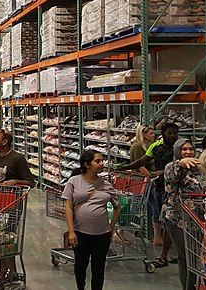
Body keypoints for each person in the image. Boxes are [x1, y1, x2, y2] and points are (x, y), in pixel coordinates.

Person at [119, 122, 180, 268]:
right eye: (169, 133)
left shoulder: (179, 149)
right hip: (159, 187)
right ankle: (168, 251)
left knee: (169, 220)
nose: (172, 136)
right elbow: (141, 161)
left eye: (175, 133)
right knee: (162, 217)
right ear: (163, 133)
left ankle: (167, 254)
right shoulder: (155, 147)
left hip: (174, 190)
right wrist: (125, 167)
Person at [0, 130, 35, 289]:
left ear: (5, 141)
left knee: (7, 239)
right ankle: (9, 272)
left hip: (11, 206)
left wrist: (15, 181)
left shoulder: (17, 159)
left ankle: (4, 274)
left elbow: (31, 182)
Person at [162, 139, 206, 290]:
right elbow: (172, 176)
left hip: (196, 219)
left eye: (190, 149)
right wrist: (180, 163)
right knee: (185, 257)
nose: (188, 152)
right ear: (177, 151)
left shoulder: (197, 170)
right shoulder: (171, 167)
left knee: (193, 257)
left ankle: (194, 285)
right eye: (183, 149)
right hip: (177, 218)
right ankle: (188, 287)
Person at [62, 150, 120, 290]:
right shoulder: (74, 181)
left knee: (98, 267)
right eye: (98, 161)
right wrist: (71, 232)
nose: (102, 164)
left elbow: (117, 207)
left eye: (102, 161)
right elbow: (68, 207)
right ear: (87, 164)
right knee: (80, 265)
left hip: (102, 234)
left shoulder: (106, 184)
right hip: (80, 232)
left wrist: (111, 228)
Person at [129, 124, 162, 244]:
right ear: (143, 134)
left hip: (149, 182)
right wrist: (153, 174)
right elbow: (140, 166)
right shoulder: (138, 147)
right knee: (135, 207)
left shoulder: (149, 146)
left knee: (155, 207)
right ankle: (118, 231)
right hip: (140, 182)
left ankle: (157, 236)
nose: (154, 135)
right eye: (151, 133)